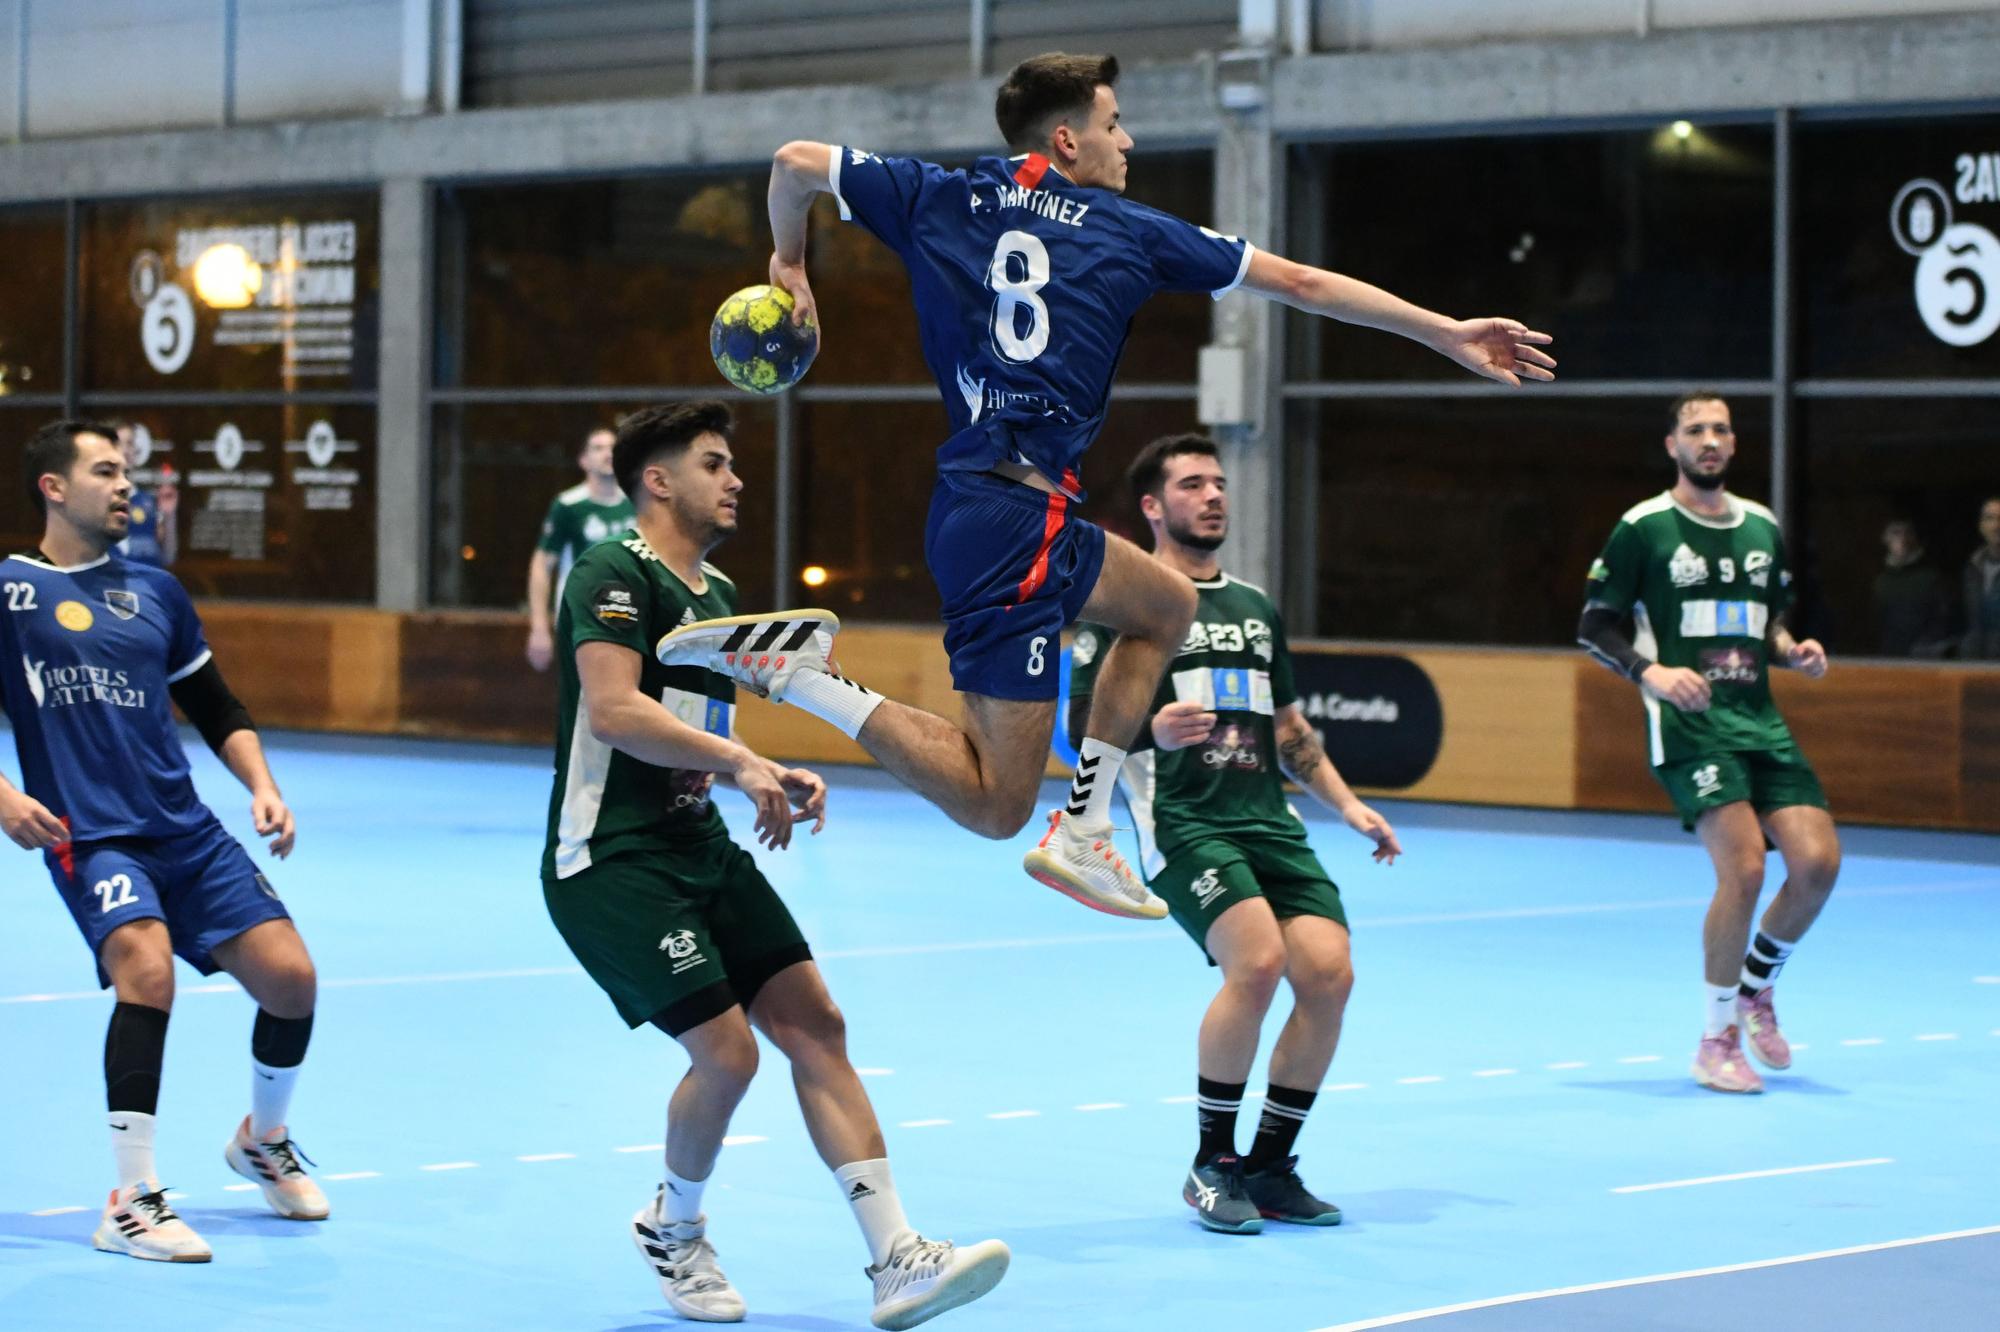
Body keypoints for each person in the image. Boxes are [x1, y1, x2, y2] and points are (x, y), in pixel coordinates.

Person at [666, 51, 1552, 924]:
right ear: (1066, 139)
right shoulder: (1127, 230)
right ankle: (810, 679)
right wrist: (1443, 332)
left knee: (1167, 605)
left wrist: (790, 263)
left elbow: (792, 164)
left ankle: (1086, 822)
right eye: (1114, 123)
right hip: (1018, 520)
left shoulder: (939, 193)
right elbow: (1303, 283)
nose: (1127, 142)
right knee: (995, 804)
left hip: (996, 507)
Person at [541, 401, 1008, 1329]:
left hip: (697, 848)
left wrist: (768, 769)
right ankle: (673, 1229)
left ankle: (896, 1258)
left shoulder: (718, 597)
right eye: (714, 463)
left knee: (817, 1025)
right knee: (727, 1053)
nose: (736, 478)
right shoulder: (609, 572)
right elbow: (615, 712)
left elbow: (699, 726)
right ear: (659, 480)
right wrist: (742, 764)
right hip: (611, 859)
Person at [0, 420, 322, 1262]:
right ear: (53, 487)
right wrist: (2, 796)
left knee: (292, 983)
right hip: (93, 834)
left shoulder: (156, 592)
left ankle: (263, 1139)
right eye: (105, 471)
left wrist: (262, 785)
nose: (124, 486)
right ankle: (131, 1199)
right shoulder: (10, 590)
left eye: (126, 472)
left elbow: (216, 706)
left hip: (187, 832)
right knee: (145, 971)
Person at [1066, 433, 1399, 1233]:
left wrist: (1348, 805)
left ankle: (1271, 1166)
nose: (1213, 495)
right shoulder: (1120, 606)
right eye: (1192, 485)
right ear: (1153, 506)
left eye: (1218, 483)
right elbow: (1075, 729)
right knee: (1257, 962)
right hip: (1182, 822)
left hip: (1268, 823)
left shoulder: (1253, 608)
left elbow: (1288, 728)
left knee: (1330, 975)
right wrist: (1151, 729)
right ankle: (1212, 1163)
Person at [1577, 393, 1841, 1095]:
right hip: (1690, 725)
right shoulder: (1644, 528)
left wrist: (1793, 651)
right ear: (1673, 446)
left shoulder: (1761, 526)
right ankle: (1716, 1038)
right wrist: (1652, 672)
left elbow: (1766, 625)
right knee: (1746, 870)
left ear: (1733, 443)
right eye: (1695, 429)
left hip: (1760, 720)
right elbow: (1595, 626)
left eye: (1720, 428)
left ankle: (1755, 988)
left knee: (1818, 865)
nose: (1710, 439)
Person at [526, 426, 634, 671]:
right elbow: (542, 565)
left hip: (629, 618)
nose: (608, 454)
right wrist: (540, 627)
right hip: (581, 618)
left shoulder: (636, 503)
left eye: (613, 448)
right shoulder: (569, 506)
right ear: (583, 460)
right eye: (598, 448)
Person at [1870, 516, 1951, 657]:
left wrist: (1926, 646)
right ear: (1885, 538)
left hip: (1924, 659)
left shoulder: (1931, 579)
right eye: (1896, 532)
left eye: (1908, 532)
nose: (1902, 539)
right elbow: (1875, 626)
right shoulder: (1881, 582)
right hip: (1887, 658)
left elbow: (1943, 620)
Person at [110, 419, 177, 569]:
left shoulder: (148, 500)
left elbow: (168, 556)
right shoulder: (99, 500)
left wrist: (169, 515)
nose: (126, 450)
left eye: (130, 443)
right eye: (120, 444)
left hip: (148, 587)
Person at [1962, 496, 2000, 660]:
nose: (1996, 526)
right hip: (1977, 662)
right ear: (1981, 526)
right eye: (1990, 518)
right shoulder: (1972, 569)